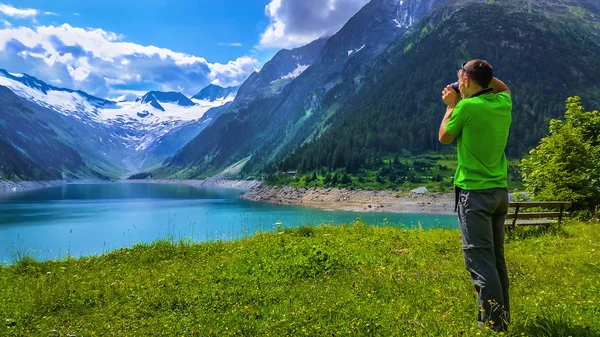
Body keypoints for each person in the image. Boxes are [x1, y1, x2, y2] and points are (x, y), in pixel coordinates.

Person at [438, 59, 513, 332]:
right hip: (499, 193)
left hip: (475, 196)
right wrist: (475, 78)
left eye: (460, 79)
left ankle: (494, 327)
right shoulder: (503, 103)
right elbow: (503, 87)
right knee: (496, 260)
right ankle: (503, 319)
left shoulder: (465, 107)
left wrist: (450, 105)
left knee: (480, 263)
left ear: (466, 81)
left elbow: (444, 137)